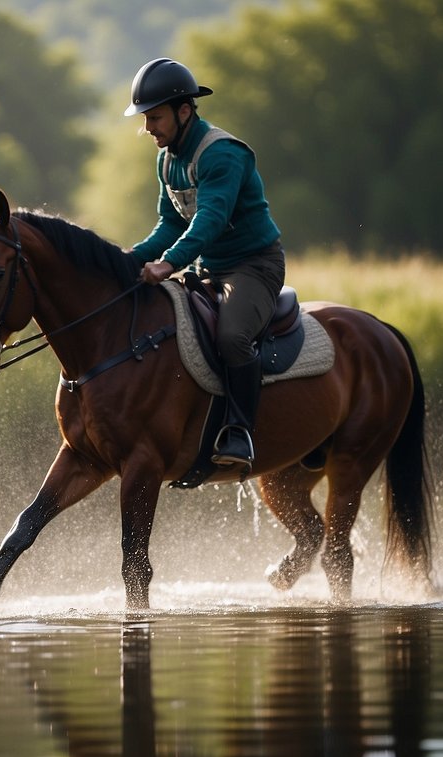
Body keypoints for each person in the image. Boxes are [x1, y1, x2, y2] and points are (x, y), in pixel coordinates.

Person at [125, 57, 284, 475]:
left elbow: (209, 221)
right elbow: (170, 223)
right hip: (210, 268)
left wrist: (169, 263)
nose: (148, 129)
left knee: (232, 337)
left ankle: (240, 431)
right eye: (145, 119)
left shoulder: (222, 154)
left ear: (183, 110)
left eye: (154, 118)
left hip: (253, 267)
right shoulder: (167, 159)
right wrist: (129, 259)